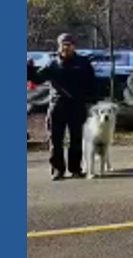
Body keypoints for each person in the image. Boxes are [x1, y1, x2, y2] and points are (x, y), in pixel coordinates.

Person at [28, 33, 96, 180]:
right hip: (57, 106)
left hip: (77, 106)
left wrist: (90, 98)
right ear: (59, 46)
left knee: (76, 139)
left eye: (69, 44)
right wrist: (29, 70)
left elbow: (92, 82)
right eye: (63, 44)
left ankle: (75, 169)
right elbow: (38, 79)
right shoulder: (52, 63)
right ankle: (58, 170)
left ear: (74, 46)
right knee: (55, 139)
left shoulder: (83, 63)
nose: (66, 47)